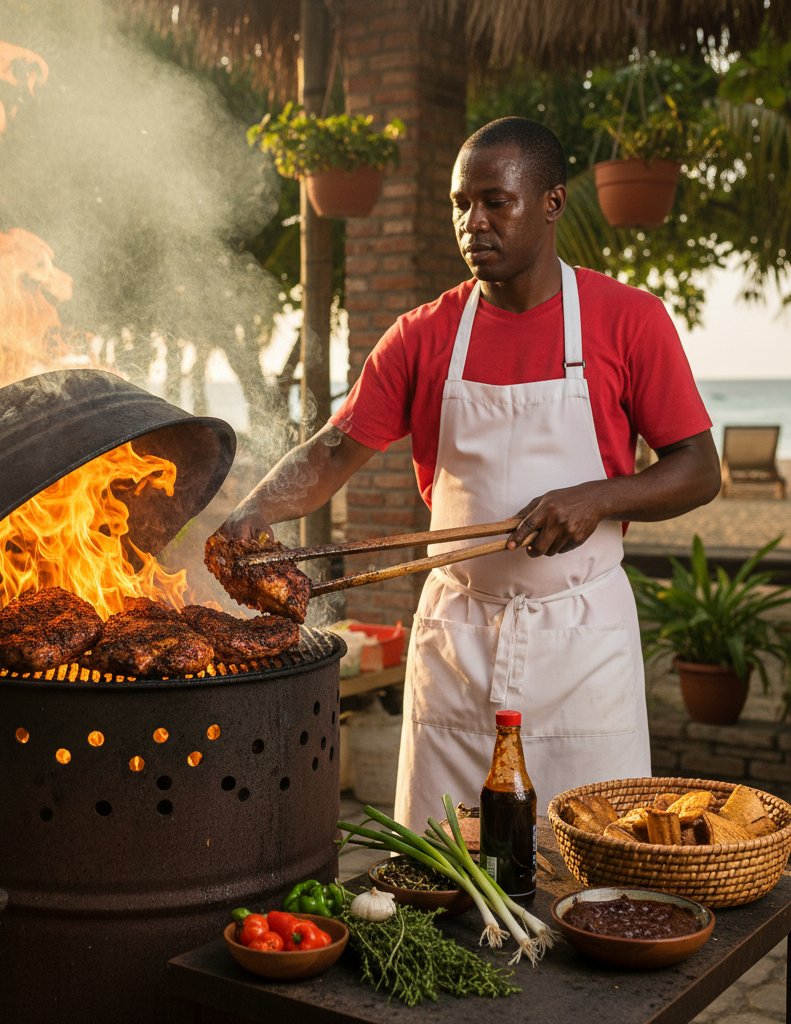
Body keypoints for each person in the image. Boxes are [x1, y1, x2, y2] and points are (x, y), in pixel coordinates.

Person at [214, 117, 721, 831]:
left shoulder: (628, 320)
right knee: (442, 871)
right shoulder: (424, 335)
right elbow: (333, 451)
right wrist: (251, 515)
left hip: (581, 647)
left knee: (591, 872)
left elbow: (700, 469)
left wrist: (597, 498)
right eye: (460, 204)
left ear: (551, 201)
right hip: (460, 641)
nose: (472, 222)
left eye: (495, 202)